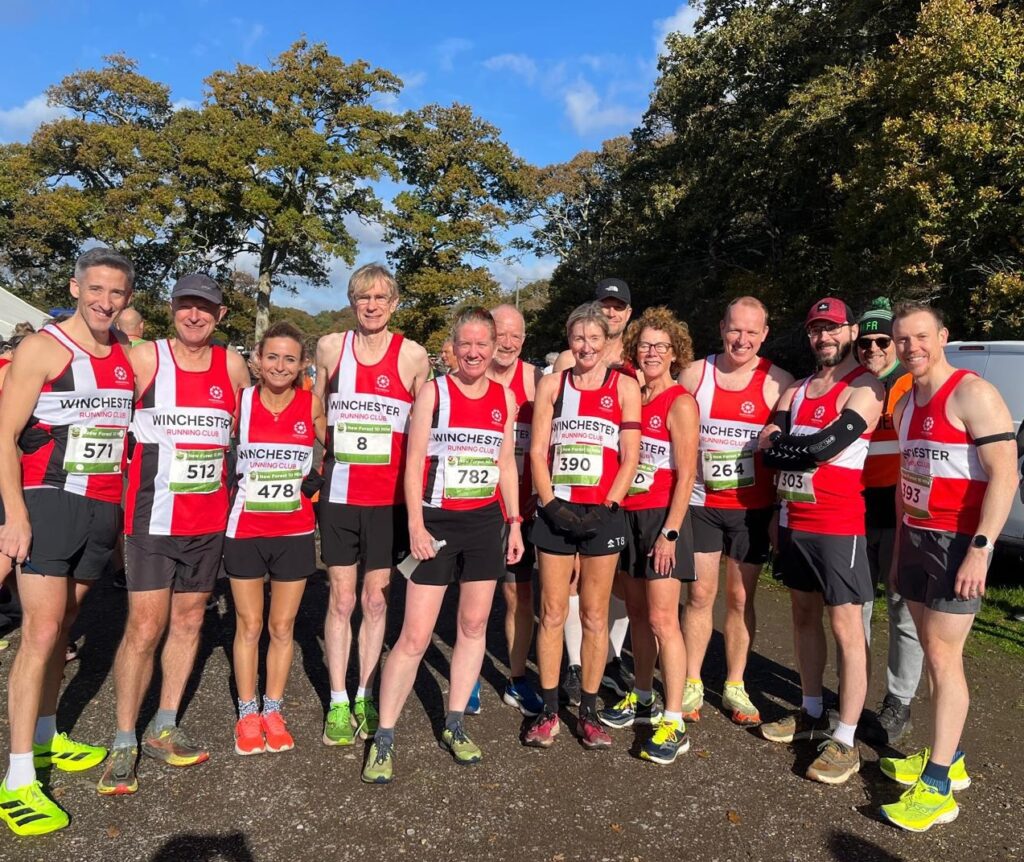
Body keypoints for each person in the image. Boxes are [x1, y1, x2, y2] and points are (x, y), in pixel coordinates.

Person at [0, 248, 135, 835]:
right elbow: (3, 435)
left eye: (116, 292)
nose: (105, 301)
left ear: (128, 299)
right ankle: (17, 778)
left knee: (67, 625)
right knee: (41, 631)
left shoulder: (126, 355)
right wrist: (14, 515)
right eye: (96, 289)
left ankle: (47, 733)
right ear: (76, 288)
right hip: (48, 500)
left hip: (102, 508)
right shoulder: (43, 348)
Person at [99, 274, 250, 796]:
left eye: (204, 308)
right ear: (171, 308)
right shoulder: (145, 359)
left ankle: (163, 725)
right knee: (144, 627)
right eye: (186, 305)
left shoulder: (232, 365)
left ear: (220, 315)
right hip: (152, 521)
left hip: (207, 523)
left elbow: (251, 428)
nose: (194, 315)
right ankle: (124, 739)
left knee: (189, 621)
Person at [361, 307, 523, 783]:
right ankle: (384, 736)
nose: (474, 352)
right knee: (414, 636)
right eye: (465, 344)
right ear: (453, 347)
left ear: (494, 347)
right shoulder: (435, 392)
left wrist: (514, 523)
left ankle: (454, 723)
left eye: (482, 344)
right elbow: (413, 463)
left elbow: (506, 464)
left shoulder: (504, 397)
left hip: (484, 523)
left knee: (473, 626)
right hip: (437, 524)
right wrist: (415, 524)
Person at [878, 302, 1017, 831]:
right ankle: (948, 757)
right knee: (931, 651)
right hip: (917, 538)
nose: (911, 347)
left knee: (943, 654)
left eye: (921, 337)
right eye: (902, 340)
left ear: (942, 337)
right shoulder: (905, 404)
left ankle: (937, 787)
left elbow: (1005, 476)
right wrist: (898, 552)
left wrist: (982, 548)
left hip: (958, 541)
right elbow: (906, 481)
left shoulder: (972, 393)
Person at [757, 297, 882, 786]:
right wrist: (794, 451)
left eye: (832, 328)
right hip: (794, 520)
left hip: (837, 524)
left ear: (850, 331)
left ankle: (846, 737)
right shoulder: (799, 388)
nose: (823, 337)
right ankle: (810, 711)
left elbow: (826, 447)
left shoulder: (866, 386)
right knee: (803, 617)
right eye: (815, 329)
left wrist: (793, 448)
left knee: (847, 628)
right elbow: (768, 449)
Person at [315, 264, 430, 746]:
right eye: (363, 297)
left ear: (395, 304)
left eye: (381, 297)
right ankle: (338, 700)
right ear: (352, 301)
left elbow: (425, 427)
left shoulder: (413, 356)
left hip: (388, 501)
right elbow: (316, 409)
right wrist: (332, 451)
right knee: (341, 599)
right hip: (340, 497)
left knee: (376, 599)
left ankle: (365, 691)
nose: (372, 305)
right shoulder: (329, 347)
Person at [524, 301, 641, 750]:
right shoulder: (553, 384)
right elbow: (538, 451)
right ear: (569, 341)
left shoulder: (624, 386)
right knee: (553, 612)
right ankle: (550, 710)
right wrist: (550, 504)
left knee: (594, 614)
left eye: (594, 338)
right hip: (557, 511)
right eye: (578, 338)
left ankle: (588, 713)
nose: (586, 347)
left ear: (606, 341)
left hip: (602, 514)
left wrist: (609, 505)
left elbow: (630, 456)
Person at [678, 296, 793, 725]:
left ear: (764, 334)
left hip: (752, 509)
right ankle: (691, 680)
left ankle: (735, 684)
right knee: (699, 594)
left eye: (751, 332)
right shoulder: (695, 374)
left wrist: (780, 511)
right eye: (735, 329)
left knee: (741, 598)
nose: (742, 339)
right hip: (701, 503)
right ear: (721, 328)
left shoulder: (780, 382)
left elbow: (787, 452)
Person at [597, 308, 699, 765]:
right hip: (629, 516)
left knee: (663, 620)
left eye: (661, 346)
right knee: (637, 614)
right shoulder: (633, 397)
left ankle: (674, 720)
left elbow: (687, 474)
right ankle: (642, 698)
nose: (652, 353)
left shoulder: (680, 402)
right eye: (645, 345)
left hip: (663, 520)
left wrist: (671, 533)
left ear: (675, 353)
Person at [225, 323, 326, 755]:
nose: (280, 366)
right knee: (249, 624)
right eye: (272, 357)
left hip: (294, 532)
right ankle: (247, 712)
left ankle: (273, 709)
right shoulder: (241, 402)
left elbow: (340, 448)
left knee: (282, 626)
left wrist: (316, 480)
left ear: (302, 364)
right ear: (257, 360)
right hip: (245, 530)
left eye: (289, 359)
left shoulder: (311, 403)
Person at [553, 278, 636, 702]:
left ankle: (611, 658)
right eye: (605, 304)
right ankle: (574, 662)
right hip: (574, 491)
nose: (611, 312)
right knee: (573, 579)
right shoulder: (569, 359)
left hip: (626, 487)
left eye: (618, 307)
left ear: (628, 313)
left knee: (617, 584)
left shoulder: (639, 358)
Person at [853, 298, 920, 745]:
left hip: (900, 516)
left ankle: (899, 701)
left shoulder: (911, 384)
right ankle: (853, 695)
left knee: (902, 611)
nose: (873, 349)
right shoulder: (853, 384)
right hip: (855, 514)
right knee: (854, 610)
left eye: (882, 341)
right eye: (865, 343)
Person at [486, 304, 544, 716]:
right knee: (470, 596)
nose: (506, 343)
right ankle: (470, 676)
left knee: (518, 595)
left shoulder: (537, 381)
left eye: (515, 336)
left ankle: (517, 678)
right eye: (500, 334)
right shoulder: (468, 376)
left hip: (519, 508)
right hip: (472, 504)